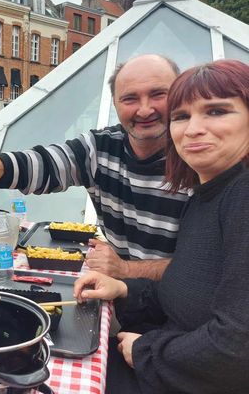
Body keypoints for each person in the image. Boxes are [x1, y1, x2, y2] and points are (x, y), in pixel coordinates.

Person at [0, 54, 189, 280]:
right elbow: (31, 166)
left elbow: (205, 268)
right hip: (128, 296)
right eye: (130, 99)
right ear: (116, 104)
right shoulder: (100, 148)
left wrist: (126, 269)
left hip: (180, 310)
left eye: (158, 95)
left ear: (178, 95)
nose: (144, 110)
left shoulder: (198, 160)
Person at [73, 59, 249, 393]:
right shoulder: (205, 197)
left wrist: (144, 352)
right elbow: (191, 291)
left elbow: (236, 348)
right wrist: (124, 289)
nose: (193, 128)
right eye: (182, 116)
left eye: (216, 111)